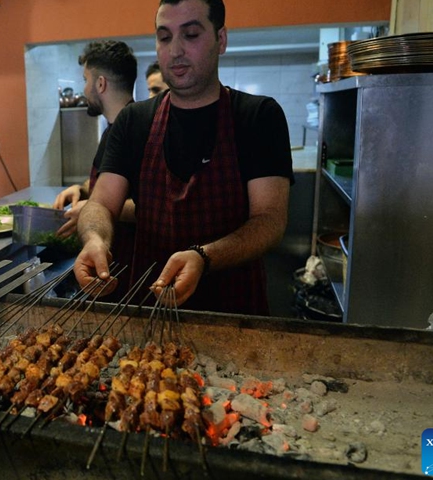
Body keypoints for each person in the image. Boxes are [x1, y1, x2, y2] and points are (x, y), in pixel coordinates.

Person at [74, 0, 293, 315]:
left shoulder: (257, 117)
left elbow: (270, 220)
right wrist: (95, 239)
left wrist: (204, 257)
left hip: (234, 312)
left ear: (221, 40)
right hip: (148, 306)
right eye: (165, 37)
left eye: (190, 34)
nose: (175, 50)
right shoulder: (134, 121)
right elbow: (100, 204)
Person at [53, 40, 137, 243]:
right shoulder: (112, 129)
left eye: (85, 80)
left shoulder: (139, 130)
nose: (84, 89)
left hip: (132, 258)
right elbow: (110, 182)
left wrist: (93, 209)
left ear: (100, 84)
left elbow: (152, 205)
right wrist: (81, 190)